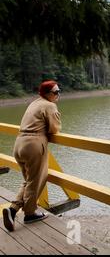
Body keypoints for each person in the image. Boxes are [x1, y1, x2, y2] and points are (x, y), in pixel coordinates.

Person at [2, 80, 61, 232]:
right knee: (36, 180)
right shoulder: (49, 105)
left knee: (29, 180)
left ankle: (13, 209)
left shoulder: (34, 103)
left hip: (19, 143)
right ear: (47, 94)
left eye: (58, 91)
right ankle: (30, 214)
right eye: (55, 92)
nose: (58, 95)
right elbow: (54, 129)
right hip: (34, 144)